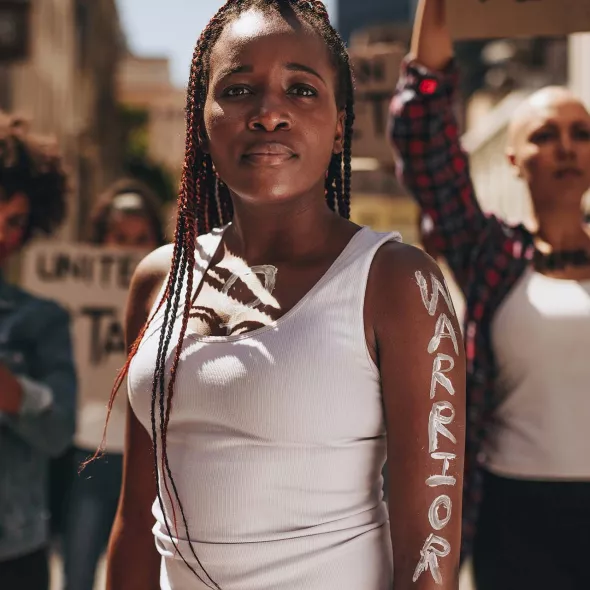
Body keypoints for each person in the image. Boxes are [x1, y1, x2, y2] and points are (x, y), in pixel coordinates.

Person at [107, 2, 466, 589]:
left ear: (340, 122)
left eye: (301, 90)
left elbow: (428, 558)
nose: (268, 113)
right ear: (202, 116)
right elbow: (138, 521)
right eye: (239, 89)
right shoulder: (158, 280)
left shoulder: (399, 284)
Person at [389, 1, 590, 589]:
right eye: (545, 135)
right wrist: (439, 8)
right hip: (513, 512)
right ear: (513, 156)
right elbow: (426, 144)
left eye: (581, 134)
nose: (565, 147)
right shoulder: (490, 254)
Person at [58, 178, 165, 590]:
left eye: (140, 239)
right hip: (91, 449)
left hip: (149, 453)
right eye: (119, 237)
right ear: (99, 240)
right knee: (79, 569)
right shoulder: (69, 297)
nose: (128, 248)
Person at [0, 113, 77, 589]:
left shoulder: (42, 319)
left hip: (13, 551)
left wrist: (12, 392)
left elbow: (59, 431)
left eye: (14, 221)